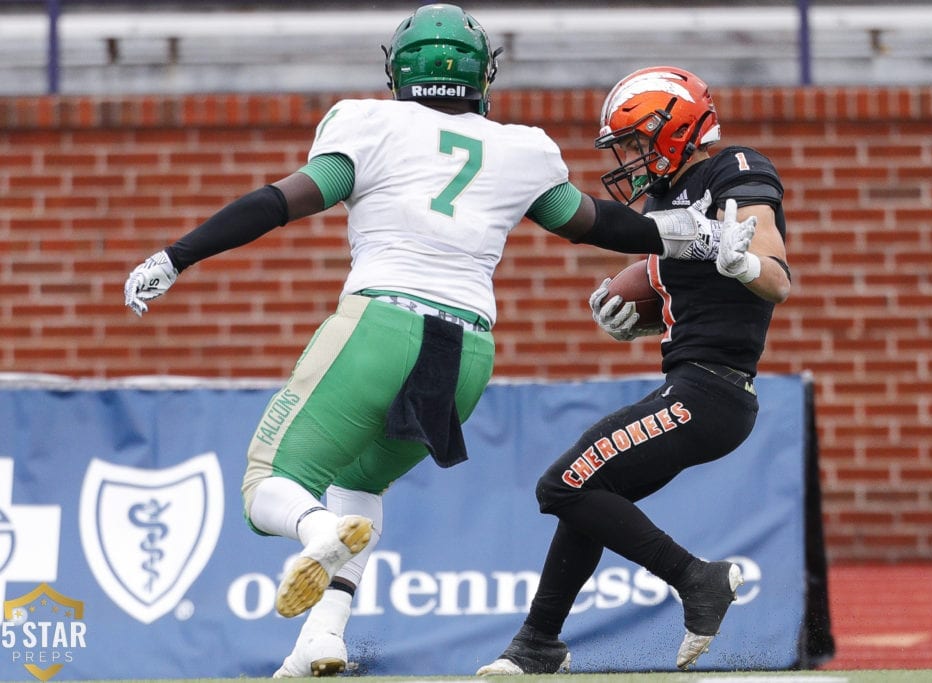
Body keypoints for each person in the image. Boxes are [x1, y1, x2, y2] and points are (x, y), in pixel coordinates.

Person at [121, 7, 725, 679]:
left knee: (269, 484)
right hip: (466, 351)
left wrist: (177, 255)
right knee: (358, 482)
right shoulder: (519, 147)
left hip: (382, 323)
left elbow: (282, 200)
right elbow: (590, 223)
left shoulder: (369, 124)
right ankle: (322, 635)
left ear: (398, 69)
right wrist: (689, 235)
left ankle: (316, 534)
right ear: (479, 73)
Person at [476, 66, 792, 675]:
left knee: (561, 485)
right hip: (693, 383)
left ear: (674, 129)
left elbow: (776, 279)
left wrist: (742, 261)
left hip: (712, 392)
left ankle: (699, 579)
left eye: (638, 142)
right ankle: (537, 643)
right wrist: (640, 323)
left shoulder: (736, 171)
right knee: (593, 494)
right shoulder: (661, 202)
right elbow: (690, 304)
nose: (631, 158)